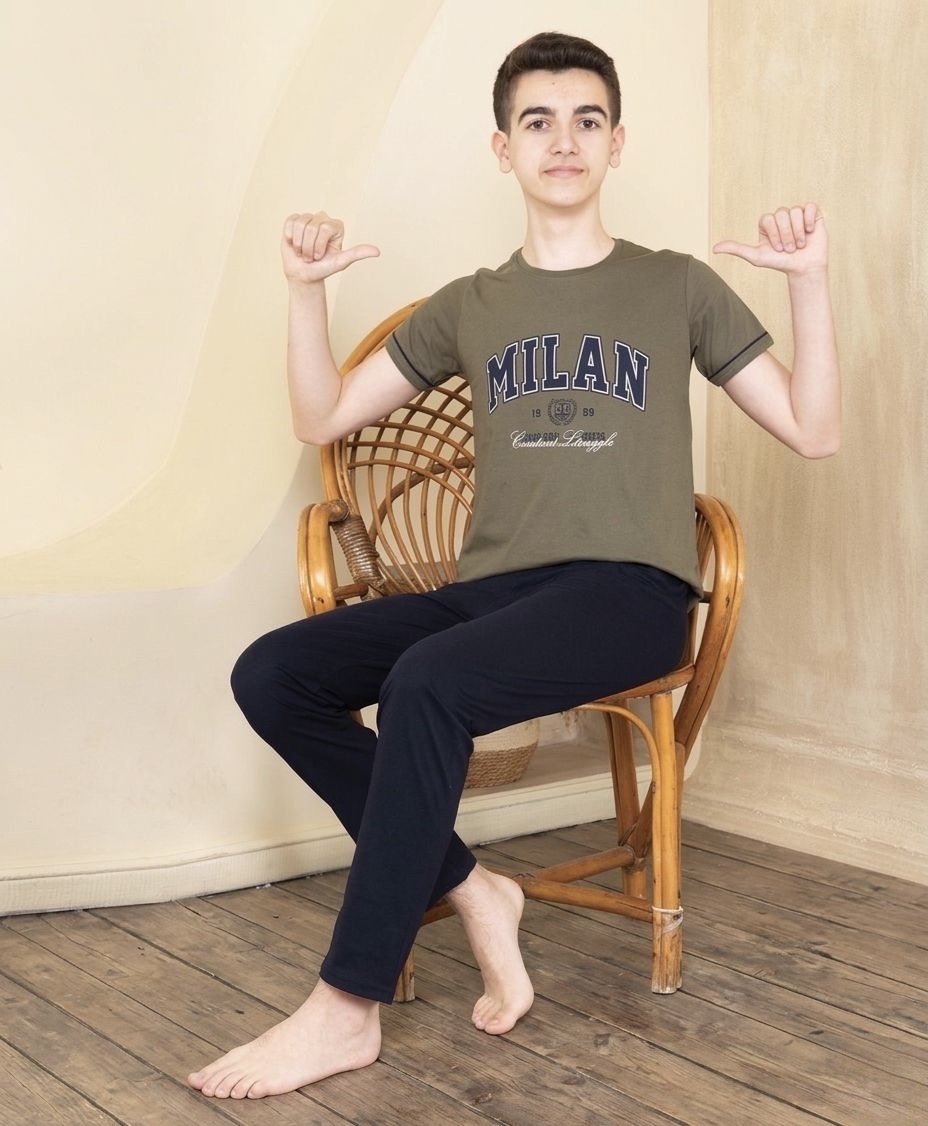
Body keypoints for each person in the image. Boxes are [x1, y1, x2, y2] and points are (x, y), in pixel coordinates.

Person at [188, 31, 839, 1101]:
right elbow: (321, 417)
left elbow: (814, 431)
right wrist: (303, 291)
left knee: (427, 683)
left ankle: (345, 1007)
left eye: (587, 119)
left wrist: (808, 280)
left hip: (629, 593)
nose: (563, 140)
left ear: (617, 142)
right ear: (504, 148)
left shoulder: (675, 286)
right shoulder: (470, 305)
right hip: (494, 591)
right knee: (274, 672)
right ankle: (473, 886)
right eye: (538, 120)